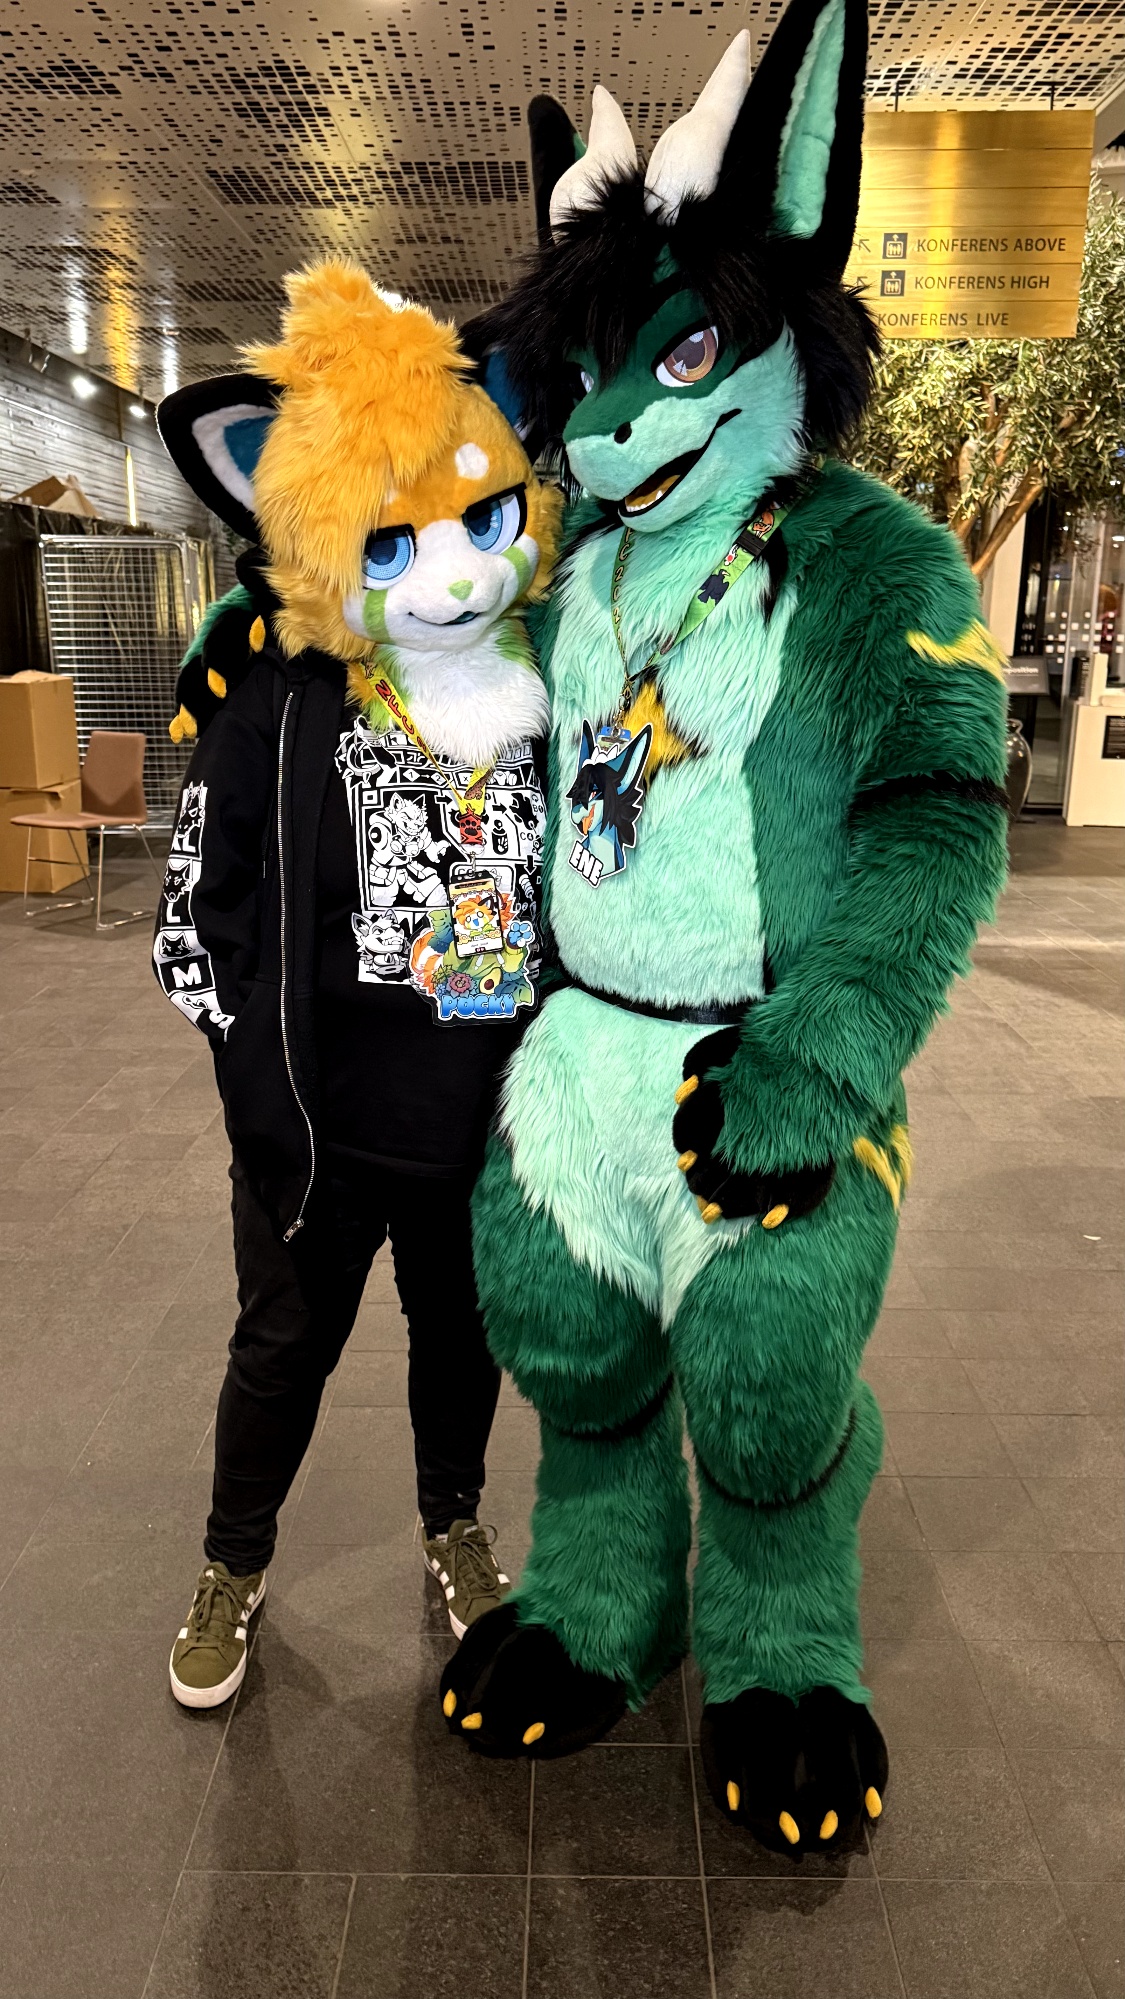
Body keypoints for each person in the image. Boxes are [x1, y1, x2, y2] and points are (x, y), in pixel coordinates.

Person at [439, 0, 1008, 1858]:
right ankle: (606, 1601)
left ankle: (782, 1646)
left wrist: (821, 1057)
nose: (611, 426)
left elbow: (940, 818)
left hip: (761, 1058)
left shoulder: (863, 558)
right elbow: (427, 676)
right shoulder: (572, 575)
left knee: (767, 1373)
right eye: (591, 372)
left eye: (675, 355)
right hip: (586, 1054)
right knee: (562, 1338)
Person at [152, 259, 560, 1708]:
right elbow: (195, 919)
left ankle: (454, 1526)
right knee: (281, 1354)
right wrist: (254, 1085)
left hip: (481, 1117)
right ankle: (232, 1562)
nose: (453, 573)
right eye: (392, 544)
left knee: (460, 1345)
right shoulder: (275, 700)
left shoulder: (542, 690)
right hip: (320, 1126)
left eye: (480, 524)